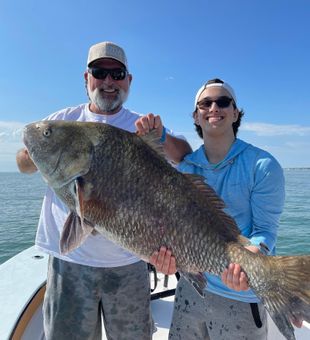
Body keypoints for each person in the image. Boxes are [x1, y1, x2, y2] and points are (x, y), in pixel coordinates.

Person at [16, 41, 192, 340]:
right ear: (87, 79)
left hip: (128, 265)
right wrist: (38, 153)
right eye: (100, 72)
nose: (109, 82)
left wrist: (160, 135)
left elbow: (185, 157)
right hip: (69, 266)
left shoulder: (141, 126)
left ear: (129, 80)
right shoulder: (64, 120)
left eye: (117, 73)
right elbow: (23, 160)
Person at [150, 78, 287, 339]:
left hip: (241, 295)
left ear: (235, 112)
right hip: (191, 290)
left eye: (223, 102)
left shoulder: (263, 165)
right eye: (206, 103)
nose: (214, 107)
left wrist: (253, 254)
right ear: (196, 115)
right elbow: (175, 229)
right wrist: (163, 258)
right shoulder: (186, 168)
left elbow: (265, 231)